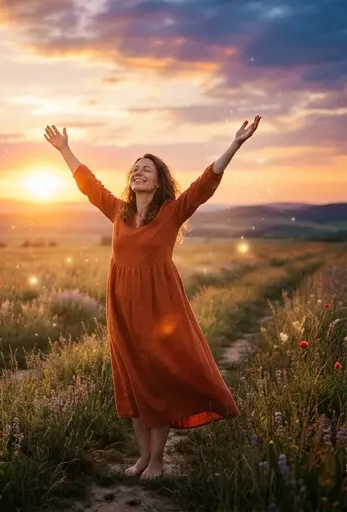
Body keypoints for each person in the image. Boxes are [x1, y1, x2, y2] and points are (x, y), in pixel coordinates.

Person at [44, 115, 261, 480]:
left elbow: (204, 185)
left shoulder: (171, 212)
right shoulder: (118, 211)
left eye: (146, 169)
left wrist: (235, 144)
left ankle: (158, 461)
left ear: (159, 180)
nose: (138, 173)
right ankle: (142, 457)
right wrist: (65, 150)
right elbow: (89, 184)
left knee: (156, 382)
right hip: (122, 306)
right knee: (131, 382)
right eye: (135, 170)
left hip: (160, 306)